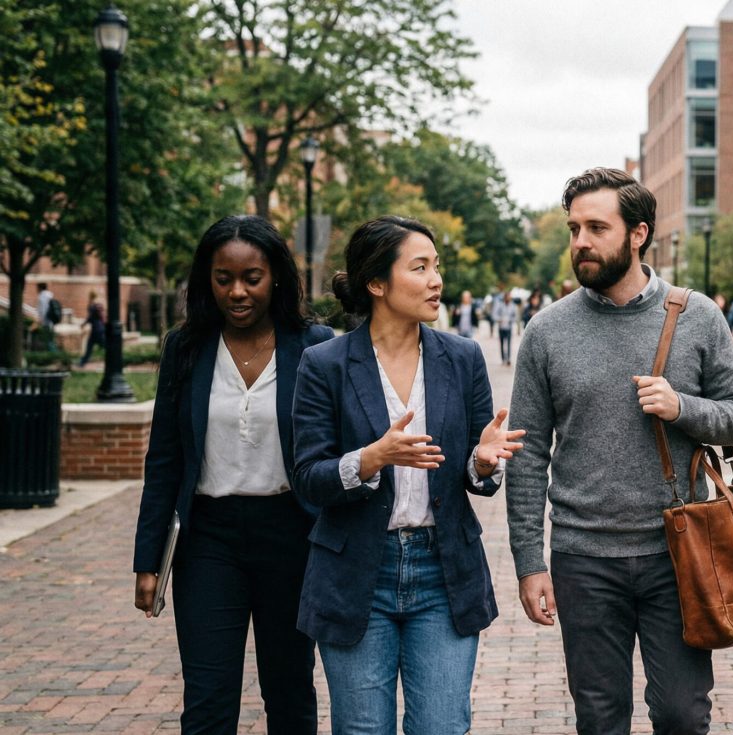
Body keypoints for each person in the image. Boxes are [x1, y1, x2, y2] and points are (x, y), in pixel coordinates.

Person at [507, 168, 733, 734]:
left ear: (638, 233)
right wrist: (530, 562)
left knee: (681, 716)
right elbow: (526, 453)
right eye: (574, 228)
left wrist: (683, 408)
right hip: (583, 557)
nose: (581, 242)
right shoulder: (546, 331)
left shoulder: (696, 316)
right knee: (599, 720)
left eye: (597, 227)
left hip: (679, 552)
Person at [291, 215, 524, 733]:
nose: (436, 279)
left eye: (436, 266)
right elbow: (308, 476)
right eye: (419, 268)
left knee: (441, 726)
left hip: (443, 572)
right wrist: (371, 458)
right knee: (361, 729)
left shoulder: (462, 359)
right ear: (377, 283)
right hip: (355, 575)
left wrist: (484, 463)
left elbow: (473, 472)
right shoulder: (324, 364)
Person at [132, 214, 332, 734]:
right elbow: (164, 460)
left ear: (277, 279)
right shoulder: (186, 347)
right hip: (208, 541)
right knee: (207, 700)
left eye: (252, 278)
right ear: (207, 281)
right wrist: (148, 561)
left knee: (289, 694)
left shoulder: (314, 345)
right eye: (223, 279)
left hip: (291, 536)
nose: (237, 292)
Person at [78, 293, 106, 368]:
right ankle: (82, 362)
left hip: (96, 330)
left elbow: (90, 318)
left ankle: (82, 363)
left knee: (90, 347)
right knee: (93, 346)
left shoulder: (93, 306)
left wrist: (83, 324)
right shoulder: (98, 305)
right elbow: (102, 317)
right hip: (99, 329)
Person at [493, 288, 518, 365]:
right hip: (501, 327)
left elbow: (515, 316)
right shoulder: (500, 305)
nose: (508, 298)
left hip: (509, 327)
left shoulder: (513, 306)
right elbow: (494, 315)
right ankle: (503, 358)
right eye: (507, 297)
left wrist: (511, 320)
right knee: (502, 344)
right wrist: (499, 319)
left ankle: (508, 359)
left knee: (509, 344)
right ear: (504, 297)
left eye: (509, 297)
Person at [34, 281, 57, 351]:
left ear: (40, 288)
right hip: (52, 320)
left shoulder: (42, 297)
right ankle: (53, 353)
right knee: (51, 339)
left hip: (46, 321)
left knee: (48, 340)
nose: (36, 290)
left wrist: (41, 320)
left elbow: (44, 309)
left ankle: (53, 354)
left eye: (37, 288)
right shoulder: (50, 295)